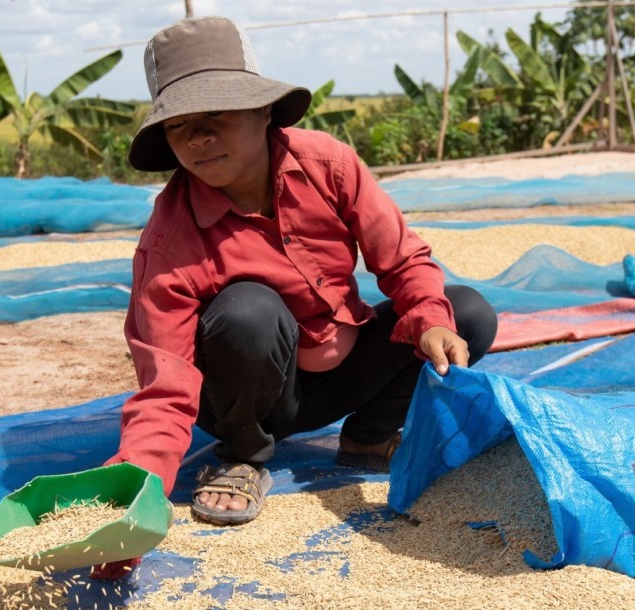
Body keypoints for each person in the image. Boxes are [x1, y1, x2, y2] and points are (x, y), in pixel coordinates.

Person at [92, 15, 496, 579]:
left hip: (337, 371)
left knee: (466, 313)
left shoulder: (326, 164)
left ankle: (367, 438)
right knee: (249, 309)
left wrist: (429, 317)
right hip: (244, 390)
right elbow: (165, 384)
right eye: (181, 126)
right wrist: (134, 497)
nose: (200, 137)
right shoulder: (171, 234)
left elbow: (403, 259)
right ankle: (242, 458)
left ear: (262, 111)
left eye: (217, 115)